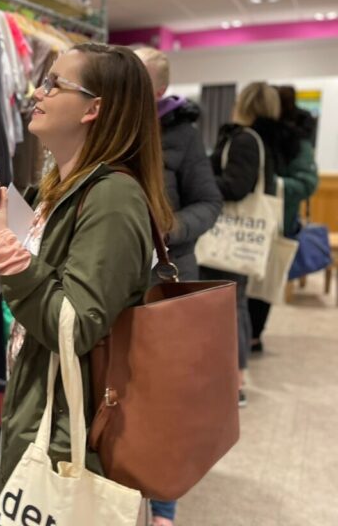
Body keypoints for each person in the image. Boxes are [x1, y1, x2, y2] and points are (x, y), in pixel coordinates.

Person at [0, 44, 173, 491]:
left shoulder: (113, 197)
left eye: (55, 83)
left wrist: (3, 245)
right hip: (43, 406)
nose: (37, 91)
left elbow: (74, 326)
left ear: (94, 108)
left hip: (70, 429)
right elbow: (15, 288)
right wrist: (1, 232)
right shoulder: (52, 190)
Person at [135, 47, 222, 526]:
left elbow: (209, 202)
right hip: (114, 280)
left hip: (165, 280)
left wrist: (170, 227)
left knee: (164, 394)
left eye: (136, 78)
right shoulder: (102, 126)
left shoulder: (183, 134)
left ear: (159, 90)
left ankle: (164, 507)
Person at [200, 82, 280, 408]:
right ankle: (232, 379)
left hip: (229, 240)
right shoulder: (259, 140)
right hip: (237, 243)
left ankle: (235, 381)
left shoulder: (245, 140)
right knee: (233, 304)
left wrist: (201, 182)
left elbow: (237, 185)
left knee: (229, 306)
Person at [247, 86, 319, 353]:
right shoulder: (253, 137)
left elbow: (307, 183)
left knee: (266, 279)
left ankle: (254, 335)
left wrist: (272, 184)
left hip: (278, 222)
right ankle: (246, 334)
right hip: (253, 220)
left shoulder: (294, 142)